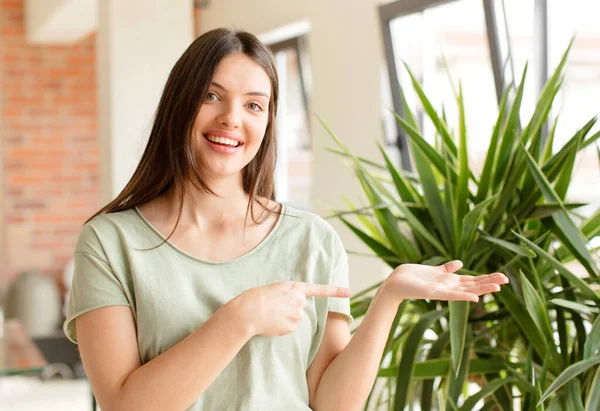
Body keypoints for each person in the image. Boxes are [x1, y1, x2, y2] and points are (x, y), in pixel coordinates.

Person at [63, 28, 509, 411]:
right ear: (180, 105)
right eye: (211, 96)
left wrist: (389, 298)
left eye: (254, 105)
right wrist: (240, 318)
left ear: (269, 122)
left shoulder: (311, 239)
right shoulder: (109, 243)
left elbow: (331, 400)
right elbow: (123, 404)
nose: (231, 119)